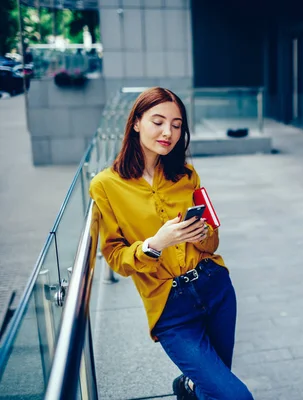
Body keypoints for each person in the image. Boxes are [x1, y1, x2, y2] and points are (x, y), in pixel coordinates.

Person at [89, 87, 254, 400]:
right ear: (136, 123)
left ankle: (190, 385)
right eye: (158, 121)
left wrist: (203, 235)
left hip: (215, 288)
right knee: (234, 396)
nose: (168, 132)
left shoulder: (187, 175)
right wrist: (154, 244)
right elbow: (115, 258)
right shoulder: (105, 186)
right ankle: (191, 384)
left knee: (212, 389)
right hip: (170, 307)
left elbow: (213, 241)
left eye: (177, 125)